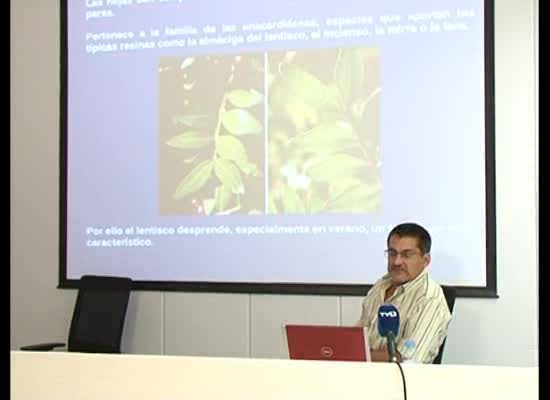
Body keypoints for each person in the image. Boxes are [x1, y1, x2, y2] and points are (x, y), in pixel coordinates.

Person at [357, 222, 451, 363]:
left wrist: (360, 356)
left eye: (406, 255)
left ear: (426, 260)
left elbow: (407, 359)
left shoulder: (430, 299)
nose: (396, 261)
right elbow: (359, 338)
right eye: (392, 253)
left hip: (399, 381)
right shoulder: (381, 286)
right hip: (361, 374)